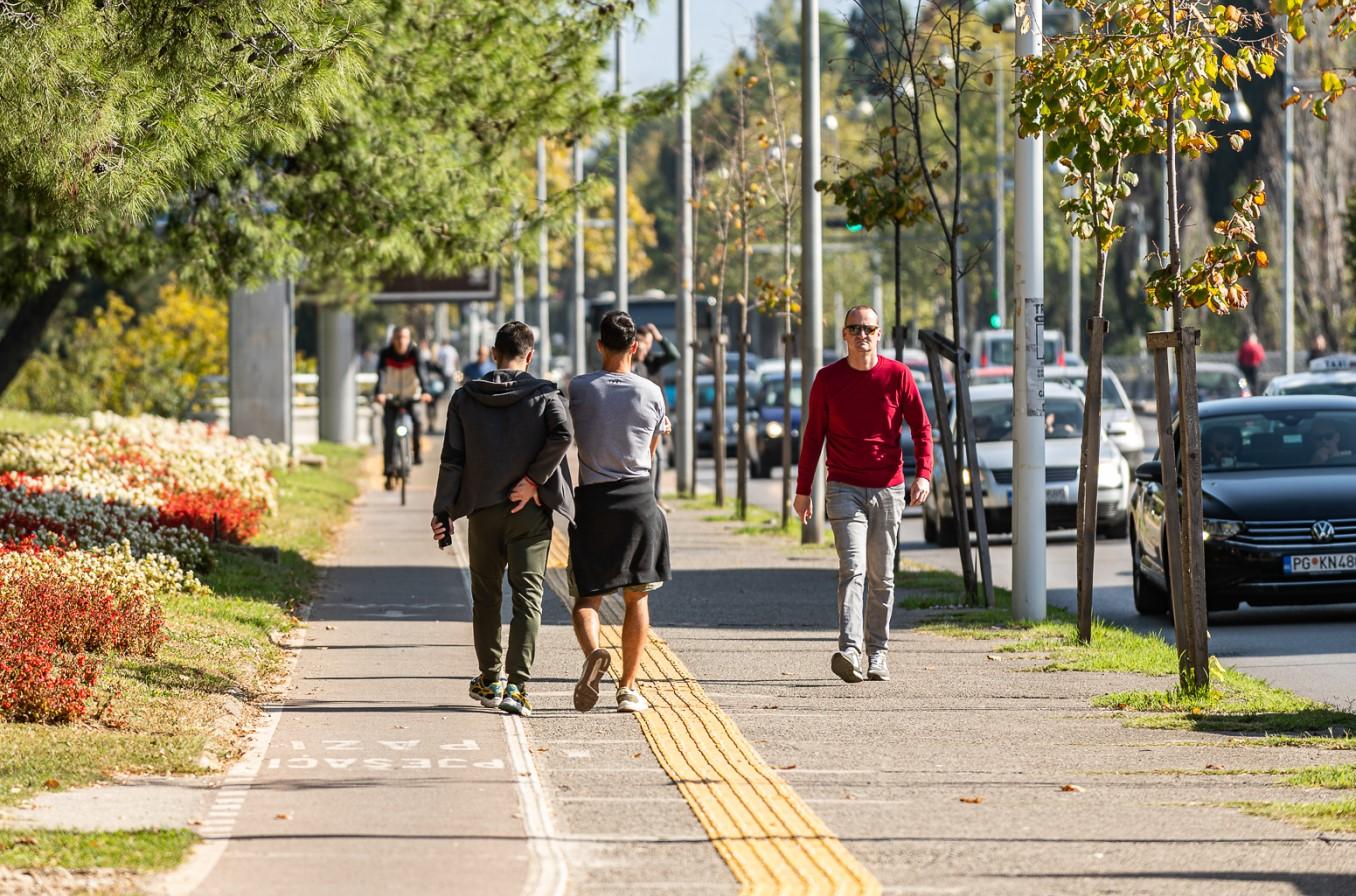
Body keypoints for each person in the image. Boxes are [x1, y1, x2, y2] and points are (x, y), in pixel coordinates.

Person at [430, 321, 574, 718]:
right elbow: (563, 436)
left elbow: (452, 460)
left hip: (482, 513)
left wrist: (443, 510)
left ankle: (489, 676)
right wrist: (532, 480)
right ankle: (517, 687)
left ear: (494, 354)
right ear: (530, 356)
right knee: (528, 599)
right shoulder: (544, 394)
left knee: (487, 598)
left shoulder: (464, 398)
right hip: (528, 512)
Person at [793, 306, 933, 684]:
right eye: (854, 328)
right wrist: (803, 490)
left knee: (882, 575)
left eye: (868, 329)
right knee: (852, 568)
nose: (861, 335)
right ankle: (850, 649)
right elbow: (813, 438)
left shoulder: (897, 376)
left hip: (889, 487)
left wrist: (923, 474)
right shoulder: (827, 379)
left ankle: (879, 652)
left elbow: (921, 428)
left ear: (878, 333)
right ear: (844, 334)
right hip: (843, 487)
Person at [567, 311, 671, 714]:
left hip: (593, 501)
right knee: (636, 596)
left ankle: (594, 653)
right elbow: (651, 450)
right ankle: (628, 687)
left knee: (586, 597)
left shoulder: (578, 387)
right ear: (634, 347)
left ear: (598, 345)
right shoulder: (651, 392)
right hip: (638, 500)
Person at [375, 326, 433, 489]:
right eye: (398, 337)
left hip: (411, 397)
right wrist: (379, 393)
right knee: (389, 435)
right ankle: (388, 472)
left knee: (418, 423)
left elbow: (422, 373)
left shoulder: (415, 353)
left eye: (404, 337)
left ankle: (417, 452)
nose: (401, 341)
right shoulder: (385, 354)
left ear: (409, 339)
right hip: (391, 398)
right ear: (393, 339)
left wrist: (426, 392)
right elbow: (380, 374)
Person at [635, 323, 678, 504]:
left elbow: (673, 355)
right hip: (643, 416)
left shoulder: (652, 361)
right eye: (644, 342)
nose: (647, 347)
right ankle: (649, 497)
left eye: (650, 343)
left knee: (658, 457)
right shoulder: (635, 365)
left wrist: (659, 337)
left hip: (659, 415)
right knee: (652, 457)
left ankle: (654, 496)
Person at [1237, 330, 1265, 395]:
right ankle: (1255, 394)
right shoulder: (1258, 346)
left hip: (1245, 367)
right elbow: (1261, 357)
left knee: (1243, 380)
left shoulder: (1245, 345)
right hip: (1254, 367)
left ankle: (1243, 393)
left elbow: (1240, 357)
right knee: (1254, 382)